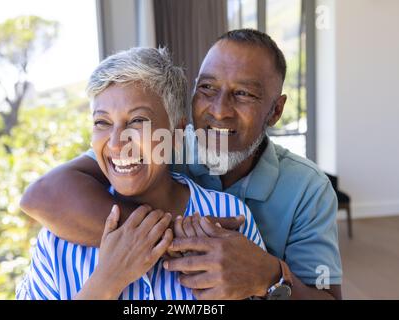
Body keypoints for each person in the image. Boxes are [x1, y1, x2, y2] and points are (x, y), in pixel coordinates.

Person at [20, 29, 343, 299]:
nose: (219, 110)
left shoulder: (308, 188)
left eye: (243, 93)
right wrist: (173, 233)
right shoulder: (149, 147)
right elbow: (44, 195)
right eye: (206, 88)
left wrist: (270, 274)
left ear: (275, 111)